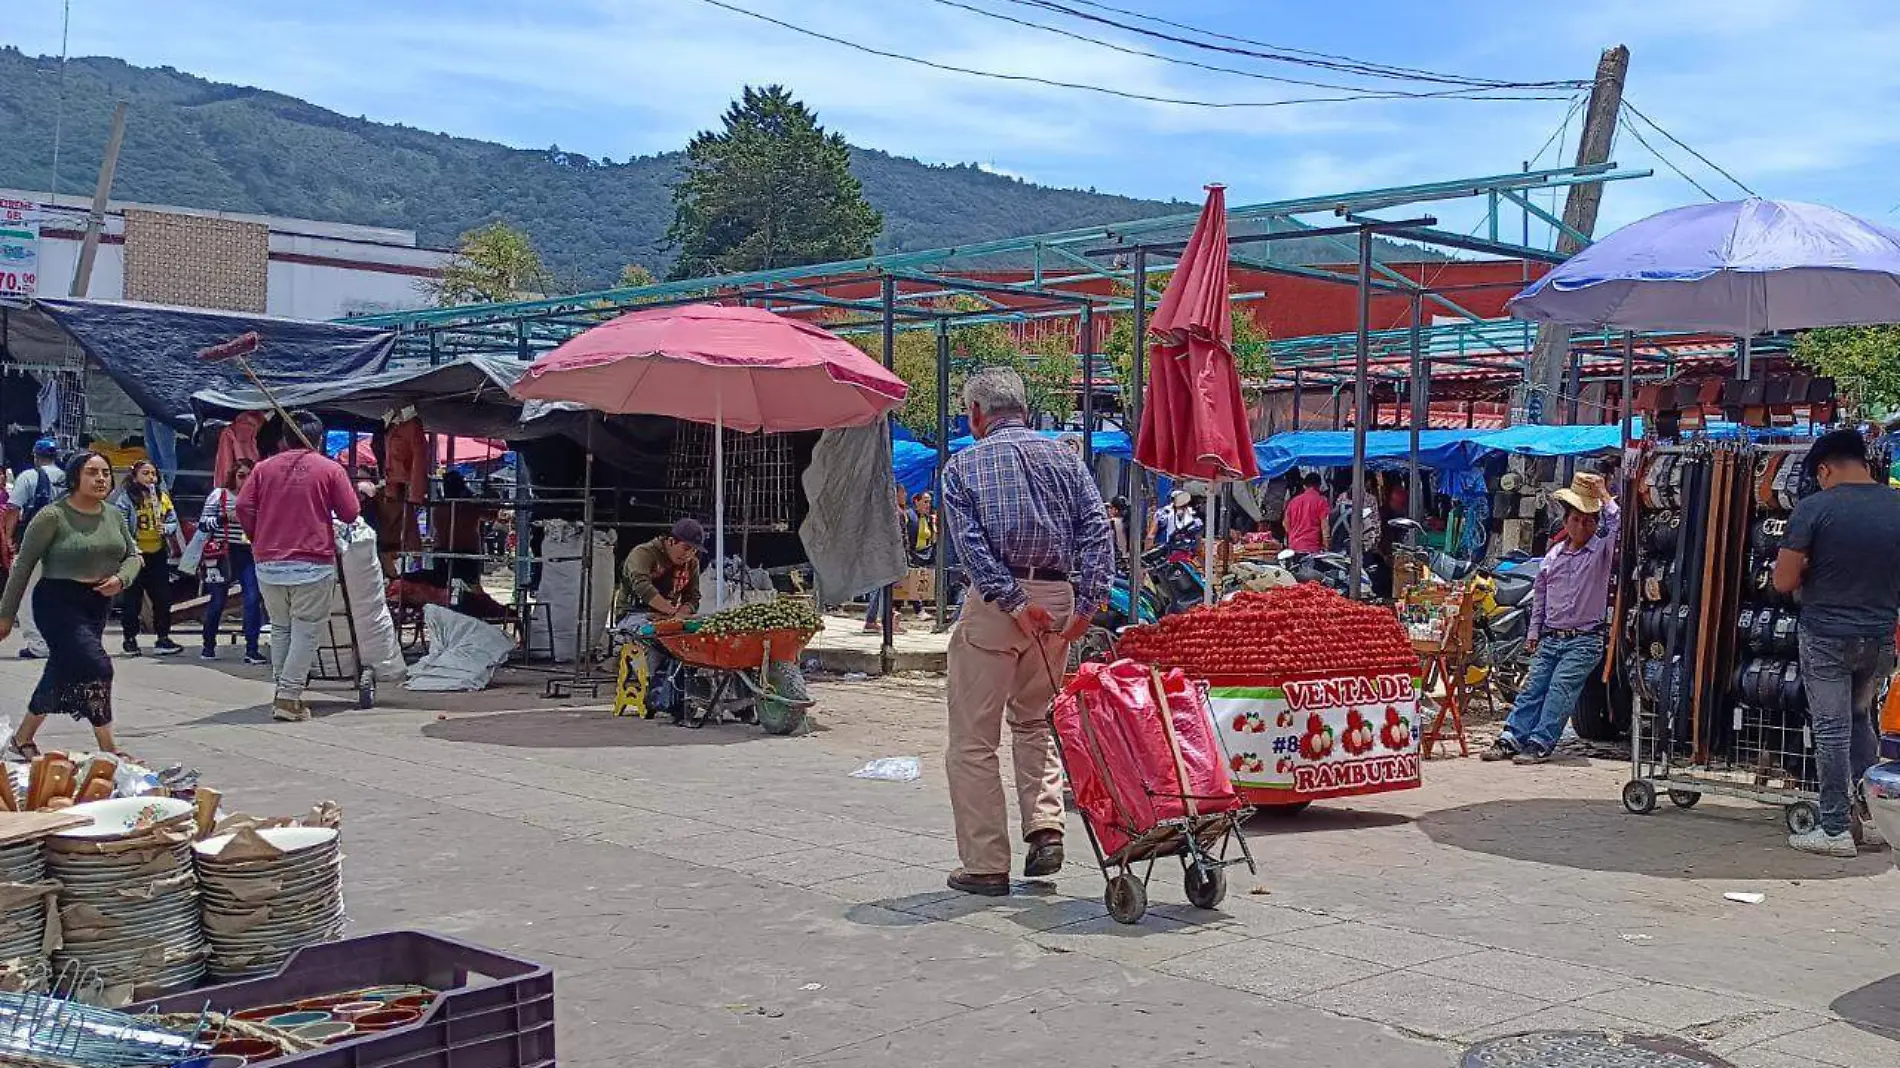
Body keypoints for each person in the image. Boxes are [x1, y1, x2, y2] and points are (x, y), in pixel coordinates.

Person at [940, 367, 1113, 896]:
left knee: (973, 741)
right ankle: (1045, 828)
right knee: (1036, 720)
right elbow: (1097, 528)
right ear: (1025, 409)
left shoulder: (962, 466)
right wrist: (1086, 606)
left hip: (998, 606)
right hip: (1059, 600)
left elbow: (971, 546)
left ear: (975, 415)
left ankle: (987, 864)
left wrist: (1015, 604)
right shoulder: (1064, 457)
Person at [1773, 428, 1900, 856]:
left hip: (1827, 634)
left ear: (1825, 469)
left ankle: (1833, 829)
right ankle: (1877, 821)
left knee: (1831, 728)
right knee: (1861, 719)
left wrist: (1811, 570)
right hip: (1879, 636)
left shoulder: (1815, 509)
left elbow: (1783, 579)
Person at [0, 451, 141, 758]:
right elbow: (23, 565)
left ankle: (22, 738)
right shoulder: (53, 515)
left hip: (97, 604)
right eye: (92, 472)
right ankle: (109, 748)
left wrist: (121, 580)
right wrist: (6, 616)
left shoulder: (113, 515)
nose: (101, 478)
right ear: (76, 477)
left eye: (105, 472)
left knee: (62, 669)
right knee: (97, 665)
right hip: (58, 603)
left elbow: (134, 556)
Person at [1483, 473, 1620, 765]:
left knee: (1560, 691)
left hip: (1584, 639)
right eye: (1577, 519)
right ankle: (1511, 737)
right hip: (1551, 636)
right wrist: (1534, 632)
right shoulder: (1553, 555)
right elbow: (1541, 596)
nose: (1582, 525)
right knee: (1533, 688)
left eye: (1589, 520)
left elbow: (1616, 522)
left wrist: (1603, 494)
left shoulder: (1600, 552)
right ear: (1566, 520)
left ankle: (1540, 742)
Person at [238, 411, 361, 723]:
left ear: (283, 439)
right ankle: (289, 696)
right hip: (312, 563)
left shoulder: (263, 469)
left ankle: (283, 691)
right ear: (318, 438)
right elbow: (350, 513)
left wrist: (258, 535)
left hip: (268, 562)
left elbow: (242, 506)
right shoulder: (330, 469)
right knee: (305, 631)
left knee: (281, 628)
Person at [111, 460, 184, 656]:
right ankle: (130, 639)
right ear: (135, 476)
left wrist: (166, 529)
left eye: (153, 474)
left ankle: (162, 637)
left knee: (162, 598)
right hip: (135, 554)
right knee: (132, 599)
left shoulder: (162, 497)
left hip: (157, 552)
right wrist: (132, 547)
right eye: (146, 473)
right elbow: (121, 522)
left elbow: (172, 520)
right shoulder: (127, 497)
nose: (151, 478)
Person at [2, 439, 65, 659]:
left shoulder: (29, 476)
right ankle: (61, 641)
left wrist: (9, 538)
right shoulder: (69, 477)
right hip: (64, 543)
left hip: (34, 544)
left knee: (25, 592)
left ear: (35, 455)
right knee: (58, 593)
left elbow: (13, 508)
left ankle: (38, 644)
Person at [199, 457, 266, 663]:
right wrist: (225, 517)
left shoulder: (260, 497)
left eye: (249, 476)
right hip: (222, 552)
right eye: (241, 476)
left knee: (253, 599)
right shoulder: (220, 495)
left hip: (248, 551)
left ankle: (252, 648)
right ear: (233, 477)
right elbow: (203, 524)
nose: (244, 480)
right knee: (218, 600)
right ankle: (208, 645)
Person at [622, 518, 705, 622]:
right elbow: (642, 587)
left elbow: (693, 597)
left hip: (669, 617)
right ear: (671, 541)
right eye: (686, 548)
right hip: (633, 614)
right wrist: (673, 612)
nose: (689, 555)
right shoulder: (643, 553)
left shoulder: (692, 563)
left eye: (694, 550)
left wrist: (680, 616)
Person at [1283, 473, 1329, 553]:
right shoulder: (1321, 501)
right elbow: (1325, 526)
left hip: (1293, 547)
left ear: (1304, 486)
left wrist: (1294, 534)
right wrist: (1326, 546)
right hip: (1312, 548)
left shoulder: (1293, 501)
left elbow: (1285, 524)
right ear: (1319, 486)